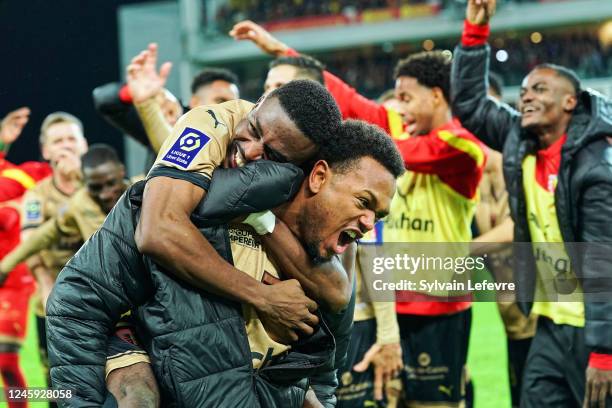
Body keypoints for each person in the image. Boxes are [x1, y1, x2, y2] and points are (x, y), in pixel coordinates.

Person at [231, 21, 487, 407]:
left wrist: (361, 149)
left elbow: (393, 149)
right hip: (392, 296)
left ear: (437, 97)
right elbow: (341, 95)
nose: (397, 107)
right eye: (395, 98)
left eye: (406, 97)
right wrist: (277, 49)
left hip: (439, 302)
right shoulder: (398, 124)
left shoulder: (463, 147)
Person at [452, 0, 612, 407]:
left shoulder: (595, 168)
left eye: (539, 90)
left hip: (592, 330)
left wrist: (603, 352)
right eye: (522, 91)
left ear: (570, 103)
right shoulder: (519, 141)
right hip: (550, 322)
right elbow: (469, 104)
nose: (525, 97)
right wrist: (474, 33)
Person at [470, 73, 537, 408]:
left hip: (546, 315)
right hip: (512, 319)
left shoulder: (524, 158)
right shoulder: (471, 169)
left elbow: (521, 224)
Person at [93, 43, 239, 153]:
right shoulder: (165, 116)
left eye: (234, 104)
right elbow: (105, 100)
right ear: (195, 102)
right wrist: (132, 93)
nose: (228, 109)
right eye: (220, 101)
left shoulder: (242, 137)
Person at [0, 110, 51, 408]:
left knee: (8, 360)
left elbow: (62, 183)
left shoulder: (21, 176)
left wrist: (17, 208)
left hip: (15, 281)